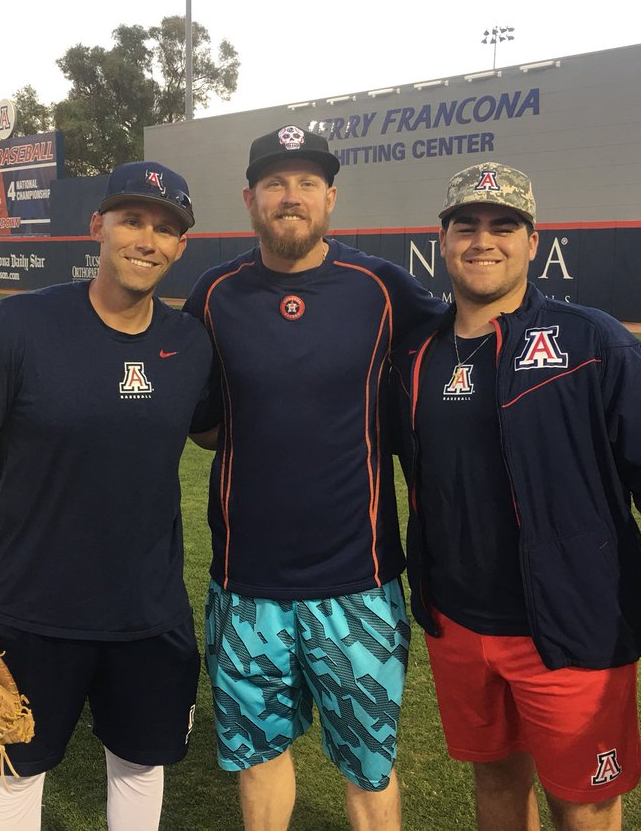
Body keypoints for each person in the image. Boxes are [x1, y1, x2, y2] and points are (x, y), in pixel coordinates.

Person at [390, 162, 641, 830]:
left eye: (504, 226)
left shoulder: (591, 341)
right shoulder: (414, 355)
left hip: (574, 624)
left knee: (583, 803)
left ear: (533, 241)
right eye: (467, 226)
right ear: (443, 240)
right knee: (495, 783)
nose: (483, 241)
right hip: (459, 623)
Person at [0, 161, 212, 831]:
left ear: (181, 245)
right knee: (17, 769)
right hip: (33, 610)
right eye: (132, 220)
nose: (147, 239)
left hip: (149, 613)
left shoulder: (191, 345)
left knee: (139, 767)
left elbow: (220, 433)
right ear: (97, 225)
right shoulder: (20, 324)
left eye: (166, 228)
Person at [182, 125, 446, 831]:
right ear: (249, 199)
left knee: (369, 767)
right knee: (258, 757)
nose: (289, 196)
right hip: (246, 588)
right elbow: (201, 421)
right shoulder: (215, 294)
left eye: (306, 183)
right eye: (274, 182)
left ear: (331, 197)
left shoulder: (381, 288)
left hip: (358, 585)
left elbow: (461, 347)